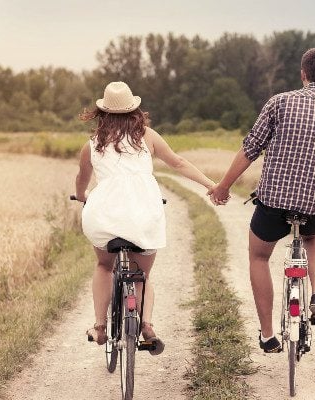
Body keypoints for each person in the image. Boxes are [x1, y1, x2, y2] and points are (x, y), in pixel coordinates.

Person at [208, 48, 315, 353]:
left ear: (302, 74)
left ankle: (267, 335)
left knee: (259, 257)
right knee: (314, 238)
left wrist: (224, 186)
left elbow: (250, 149)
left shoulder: (279, 102)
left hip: (274, 202)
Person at [75, 81, 215, 355]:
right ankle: (147, 324)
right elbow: (178, 163)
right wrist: (211, 185)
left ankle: (100, 327)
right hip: (144, 215)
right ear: (134, 111)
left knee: (104, 266)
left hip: (104, 217)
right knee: (142, 274)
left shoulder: (91, 145)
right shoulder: (148, 136)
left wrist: (82, 196)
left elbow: (81, 180)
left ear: (102, 113)